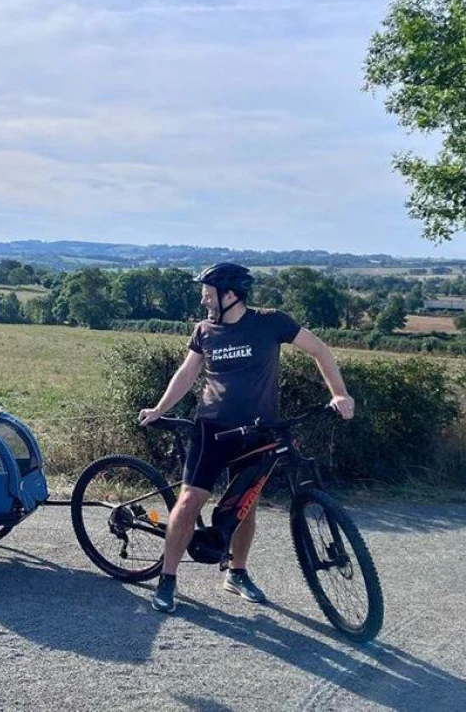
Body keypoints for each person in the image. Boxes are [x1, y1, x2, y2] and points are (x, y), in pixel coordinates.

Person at [137, 262, 355, 613]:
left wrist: (339, 394)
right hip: (212, 430)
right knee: (189, 501)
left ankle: (236, 573)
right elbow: (187, 373)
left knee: (246, 506)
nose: (205, 302)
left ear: (231, 295)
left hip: (259, 432)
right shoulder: (204, 330)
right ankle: (167, 579)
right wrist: (160, 409)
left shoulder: (271, 323)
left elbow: (320, 350)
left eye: (209, 296)